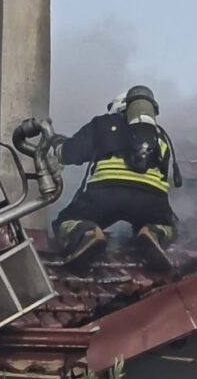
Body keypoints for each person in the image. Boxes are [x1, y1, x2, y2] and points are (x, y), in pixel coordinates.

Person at [50, 85, 181, 270]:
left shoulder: (102, 124)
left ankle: (87, 233)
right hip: (150, 197)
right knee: (168, 225)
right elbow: (163, 176)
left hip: (105, 193)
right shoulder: (159, 137)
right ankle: (153, 232)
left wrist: (57, 147)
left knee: (66, 221)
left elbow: (70, 153)